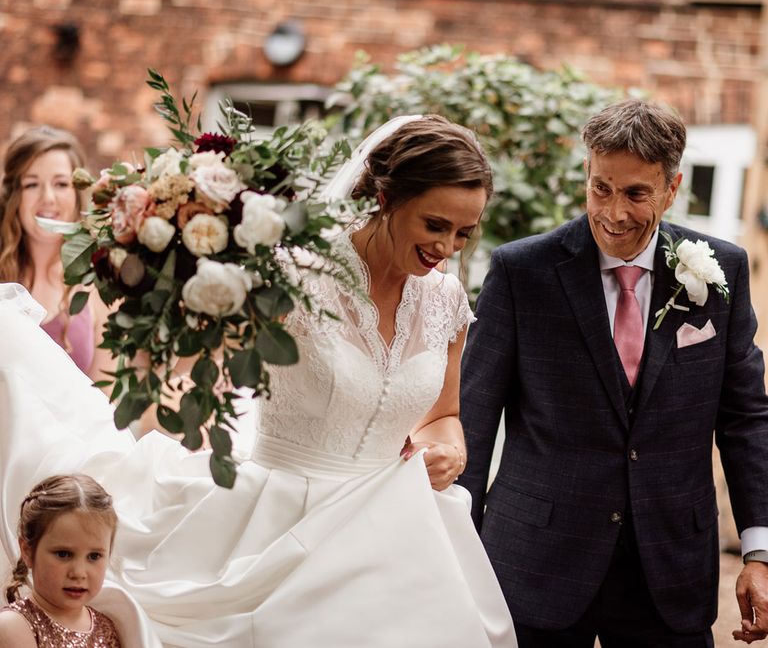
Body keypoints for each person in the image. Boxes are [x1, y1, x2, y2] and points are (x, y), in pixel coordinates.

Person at [0, 115, 518, 647]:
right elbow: (181, 366)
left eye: (464, 232)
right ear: (385, 198)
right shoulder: (289, 276)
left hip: (401, 531)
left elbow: (442, 415)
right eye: (435, 225)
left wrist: (447, 448)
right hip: (278, 523)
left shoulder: (446, 300)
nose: (449, 247)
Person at [459, 99, 768, 647]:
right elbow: (474, 420)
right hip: (534, 563)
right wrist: (454, 549)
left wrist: (759, 552)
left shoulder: (724, 271)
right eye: (602, 187)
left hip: (669, 571)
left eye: (636, 194)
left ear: (671, 190)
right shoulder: (520, 271)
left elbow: (747, 421)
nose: (614, 212)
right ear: (587, 173)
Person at [0, 125, 112, 380]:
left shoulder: (100, 285)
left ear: (76, 194)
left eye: (61, 183)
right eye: (31, 185)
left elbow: (106, 402)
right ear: (14, 195)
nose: (48, 197)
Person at [0, 474, 122, 647]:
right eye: (63, 554)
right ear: (27, 551)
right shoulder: (13, 626)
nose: (79, 573)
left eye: (94, 556)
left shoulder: (108, 627)